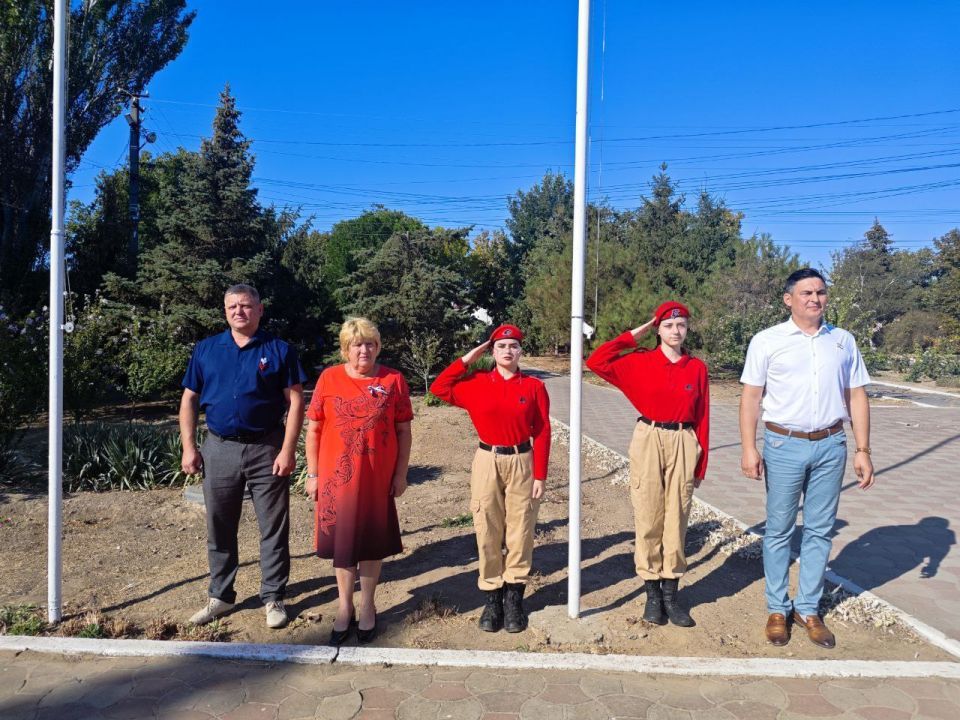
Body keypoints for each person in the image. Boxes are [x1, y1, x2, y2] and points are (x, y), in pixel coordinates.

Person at [739, 268, 875, 649]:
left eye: (820, 292)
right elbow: (751, 397)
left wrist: (863, 450)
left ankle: (809, 609)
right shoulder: (767, 341)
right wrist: (749, 447)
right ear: (789, 299)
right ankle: (778, 609)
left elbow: (857, 396)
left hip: (832, 445)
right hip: (784, 445)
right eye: (806, 293)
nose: (815, 299)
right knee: (780, 530)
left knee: (819, 530)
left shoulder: (843, 341)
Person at [180, 284, 307, 629]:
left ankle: (273, 597)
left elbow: (296, 401)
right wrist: (189, 446)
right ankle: (220, 596)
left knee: (273, 527)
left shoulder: (279, 350)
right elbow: (189, 399)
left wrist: (287, 450)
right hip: (219, 448)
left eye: (247, 306)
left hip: (267, 447)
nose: (239, 311)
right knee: (219, 526)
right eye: (233, 306)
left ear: (260, 309)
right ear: (225, 311)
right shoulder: (206, 350)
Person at [586, 301, 709, 627]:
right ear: (658, 330)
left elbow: (704, 417)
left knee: (677, 517)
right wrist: (633, 334)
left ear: (687, 329)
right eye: (668, 325)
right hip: (649, 437)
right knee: (648, 515)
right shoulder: (639, 362)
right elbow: (596, 361)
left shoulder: (696, 368)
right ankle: (652, 594)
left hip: (684, 439)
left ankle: (672, 594)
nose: (676, 331)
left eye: (681, 325)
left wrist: (701, 464)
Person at [430, 324, 550, 633]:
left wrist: (540, 474)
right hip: (487, 460)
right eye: (501, 346)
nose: (508, 350)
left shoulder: (533, 386)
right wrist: (470, 357)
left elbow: (543, 430)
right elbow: (439, 387)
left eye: (513, 345)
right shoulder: (477, 383)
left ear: (521, 350)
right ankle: (492, 598)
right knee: (487, 529)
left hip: (522, 459)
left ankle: (514, 600)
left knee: (521, 529)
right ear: (492, 351)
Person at [304, 318, 412, 645]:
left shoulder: (393, 379)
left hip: (377, 479)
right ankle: (344, 605)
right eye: (356, 344)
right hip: (337, 479)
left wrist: (400, 473)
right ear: (345, 349)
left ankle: (367, 605)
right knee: (343, 543)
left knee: (371, 542)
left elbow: (404, 430)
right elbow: (314, 430)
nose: (363, 350)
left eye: (369, 344)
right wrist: (312, 475)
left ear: (377, 347)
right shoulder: (330, 378)